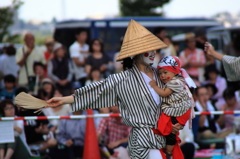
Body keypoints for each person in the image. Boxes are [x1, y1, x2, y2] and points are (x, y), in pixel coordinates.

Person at [45, 20, 184, 159]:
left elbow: (180, 99)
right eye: (148, 50)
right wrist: (63, 100)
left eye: (154, 49)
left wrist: (177, 121)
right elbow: (93, 93)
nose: (153, 53)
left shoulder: (163, 74)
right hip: (143, 140)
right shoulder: (123, 79)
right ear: (137, 54)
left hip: (165, 136)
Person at [149, 55, 195, 159]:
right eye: (160, 73)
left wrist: (154, 86)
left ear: (175, 72)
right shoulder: (174, 81)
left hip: (178, 109)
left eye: (165, 73)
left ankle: (168, 152)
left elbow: (164, 93)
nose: (162, 76)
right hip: (177, 109)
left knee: (171, 132)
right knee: (170, 131)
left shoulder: (175, 82)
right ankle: (168, 151)